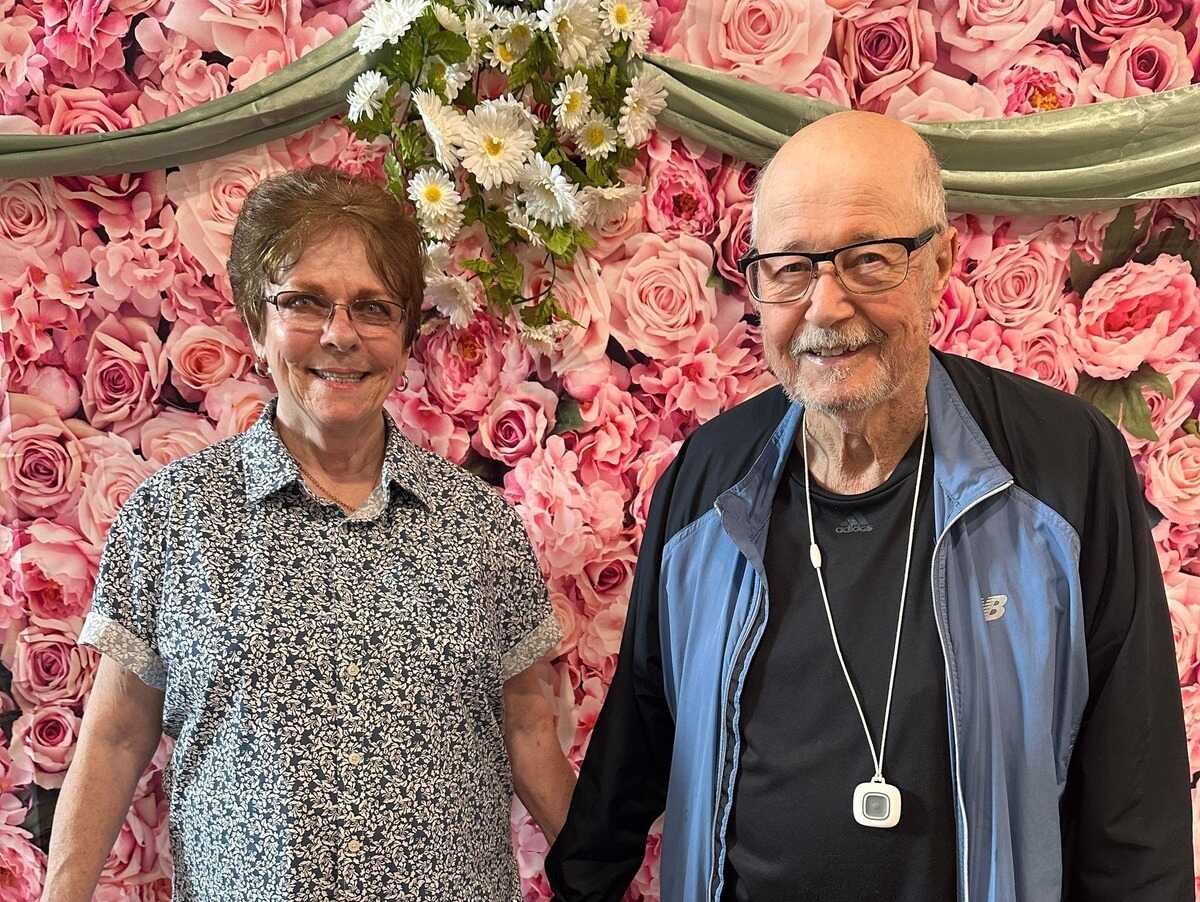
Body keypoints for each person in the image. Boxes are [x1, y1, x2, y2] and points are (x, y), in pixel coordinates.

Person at [545, 112, 1193, 902]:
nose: (825, 307)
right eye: (789, 269)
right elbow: (639, 735)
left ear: (940, 262)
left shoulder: (1065, 466)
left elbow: (1134, 792)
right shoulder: (707, 479)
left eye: (868, 260)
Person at [46, 166, 575, 902]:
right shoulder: (173, 518)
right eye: (303, 303)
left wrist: (600, 879)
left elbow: (526, 732)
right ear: (255, 326)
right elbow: (113, 742)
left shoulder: (478, 526)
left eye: (373, 307)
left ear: (405, 333)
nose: (340, 335)